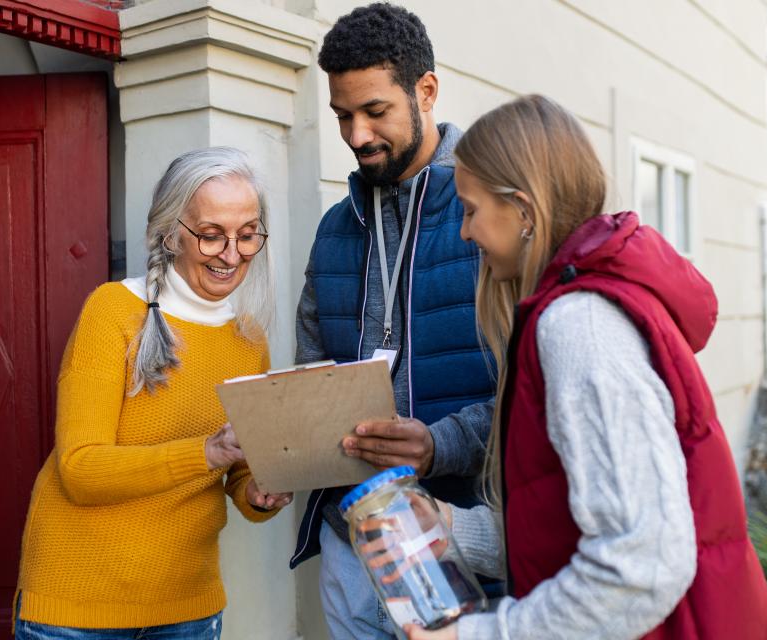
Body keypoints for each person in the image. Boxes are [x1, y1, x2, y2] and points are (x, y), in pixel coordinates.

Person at [402, 95, 767, 639]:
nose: (465, 232)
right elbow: (566, 519)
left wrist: (479, 635)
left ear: (523, 211)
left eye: (471, 209)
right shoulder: (579, 308)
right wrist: (454, 527)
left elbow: (640, 567)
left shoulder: (581, 327)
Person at [13, 147, 292, 639]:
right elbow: (80, 470)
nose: (232, 255)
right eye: (211, 236)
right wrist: (206, 452)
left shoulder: (249, 340)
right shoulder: (111, 311)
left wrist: (258, 494)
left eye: (248, 235)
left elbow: (238, 471)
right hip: (77, 605)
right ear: (170, 233)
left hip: (188, 605)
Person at [289, 4, 496, 639]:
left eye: (374, 111)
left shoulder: (490, 211)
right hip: (351, 544)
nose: (355, 135)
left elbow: (536, 390)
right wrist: (285, 453)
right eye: (342, 116)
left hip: (460, 534)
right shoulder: (334, 229)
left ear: (425, 91)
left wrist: (440, 444)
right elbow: (310, 369)